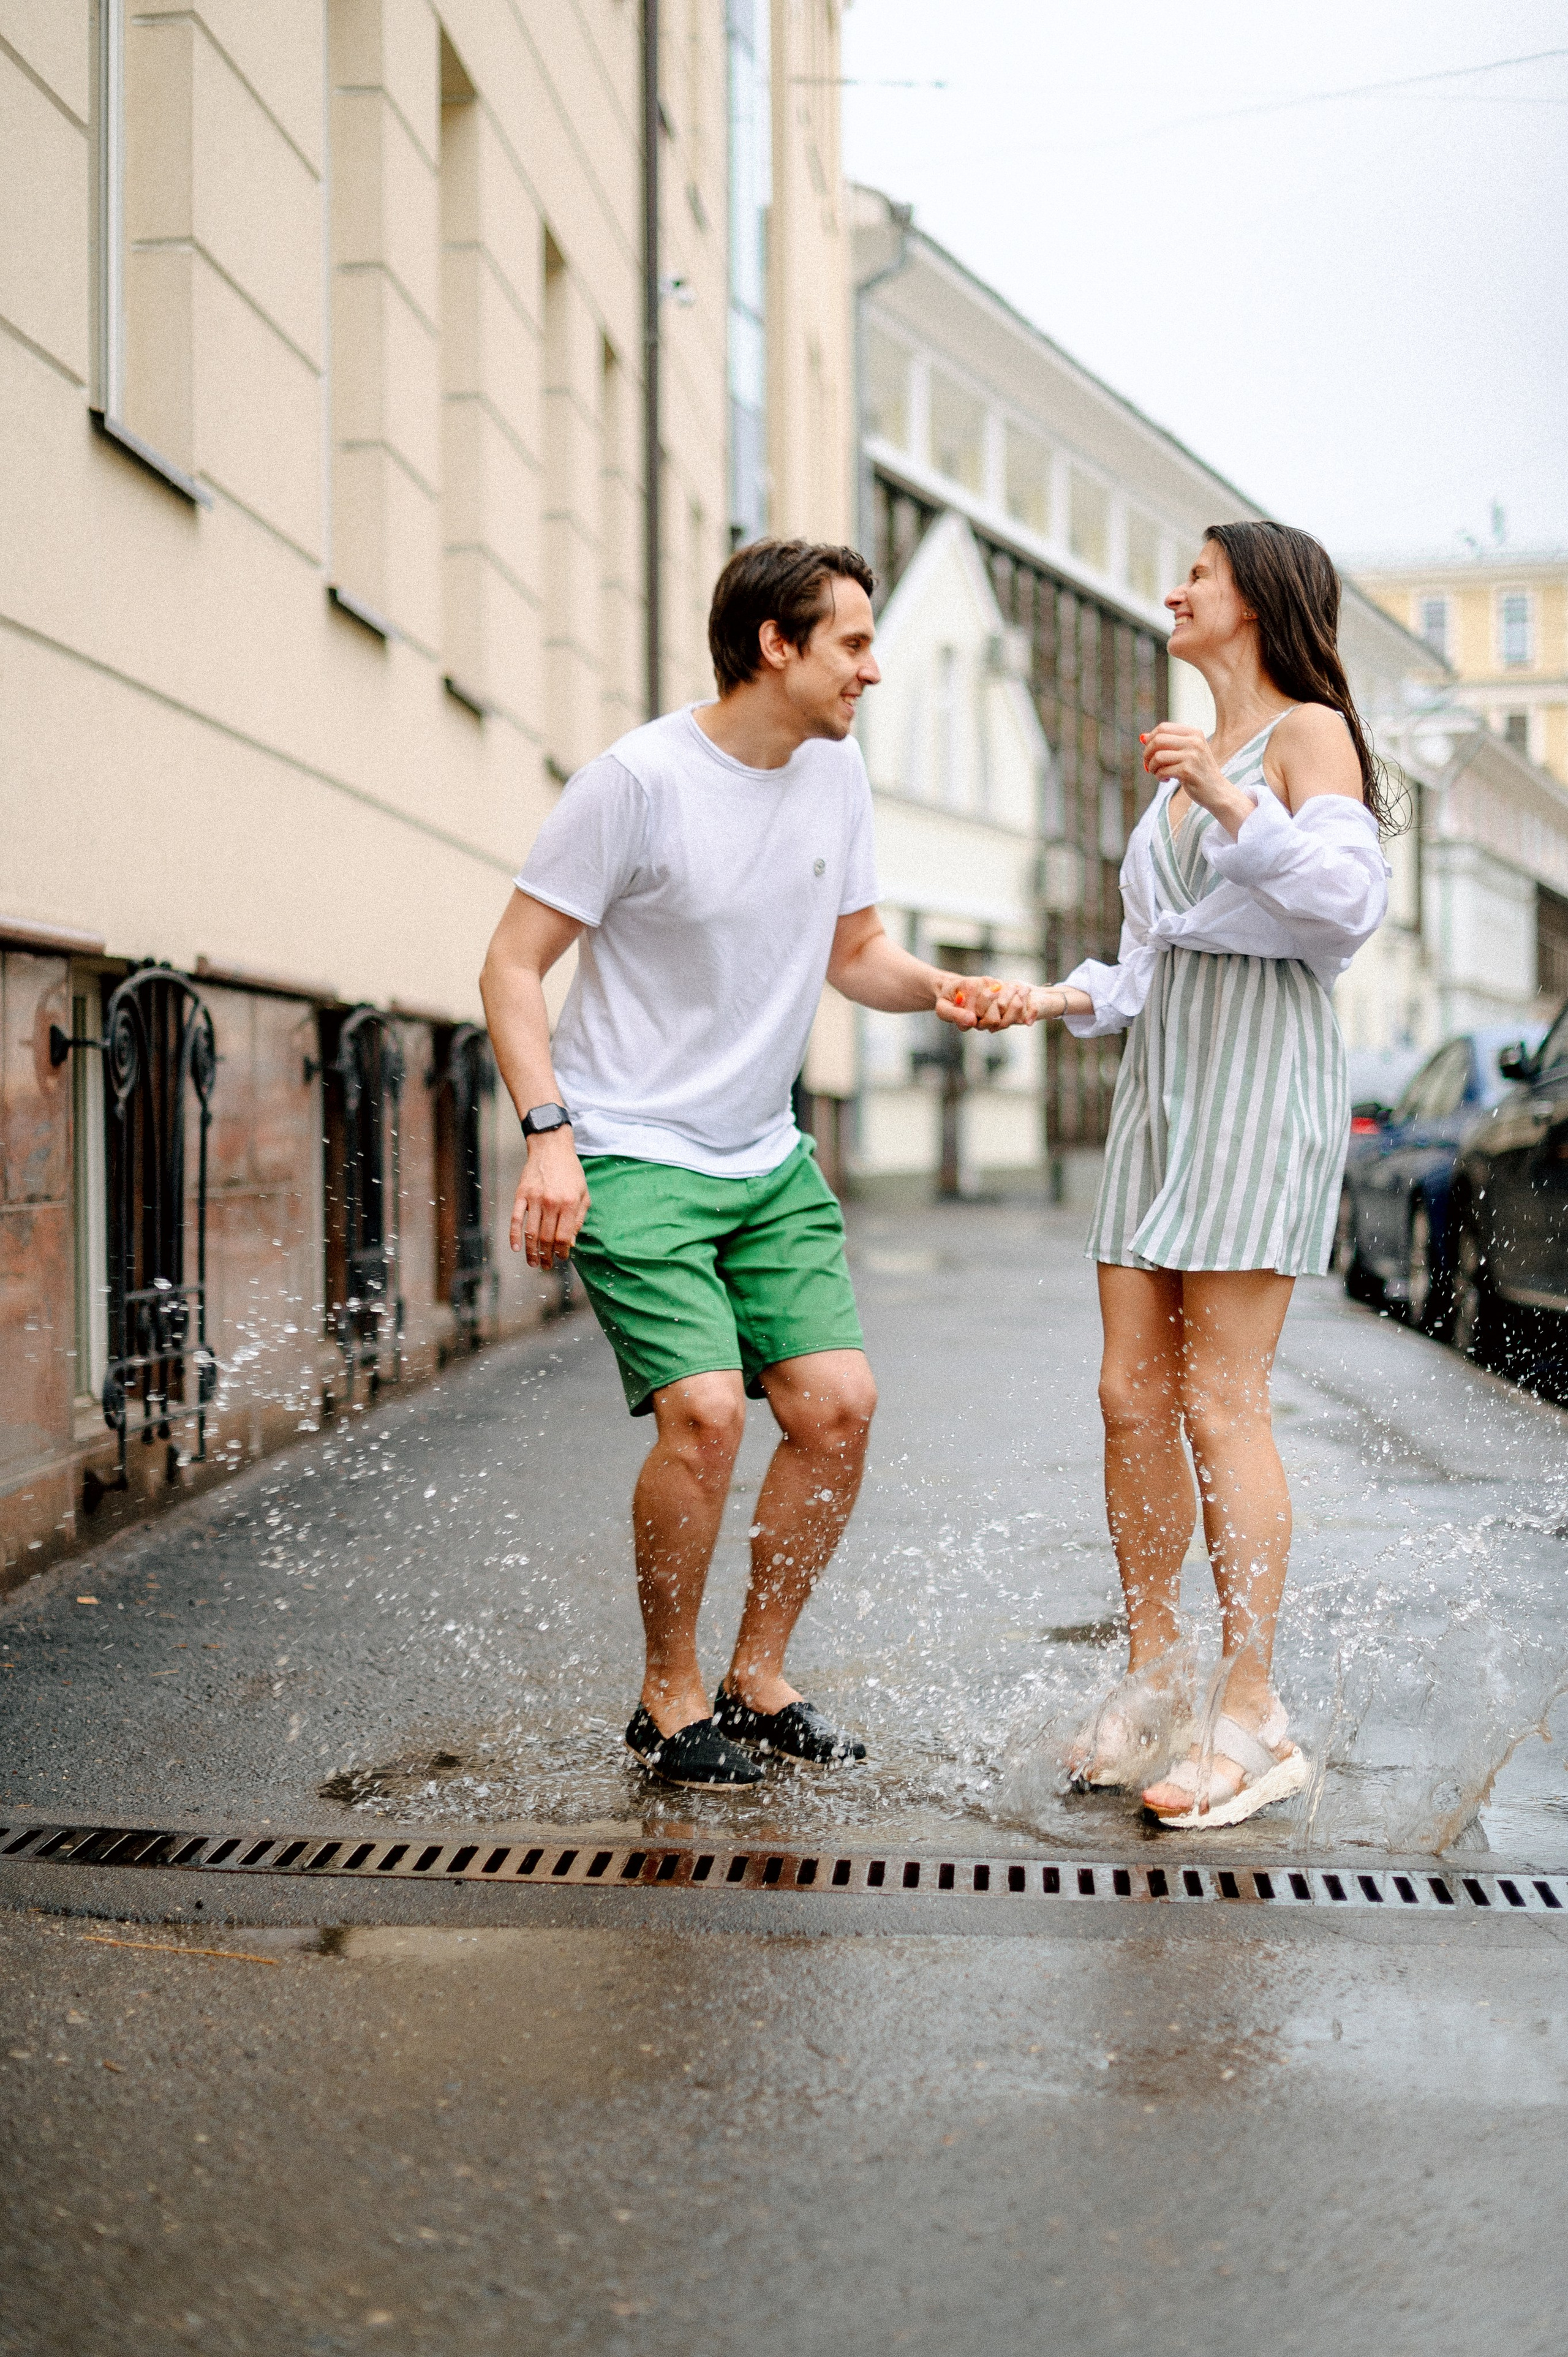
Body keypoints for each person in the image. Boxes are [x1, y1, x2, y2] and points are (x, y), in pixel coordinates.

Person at [480, 538, 1030, 1789]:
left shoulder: (836, 774)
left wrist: (942, 988)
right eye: (853, 644)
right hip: (630, 1146)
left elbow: (855, 951)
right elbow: (511, 964)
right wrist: (549, 1136)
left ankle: (757, 1677)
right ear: (776, 645)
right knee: (708, 1414)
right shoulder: (635, 784)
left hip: (764, 1154)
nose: (872, 672)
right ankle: (668, 1695)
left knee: (836, 1407)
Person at [1027, 521, 1392, 1830]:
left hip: (1254, 1077)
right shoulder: (1181, 765)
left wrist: (1230, 798)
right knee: (1129, 1393)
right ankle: (1158, 1674)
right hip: (1163, 1085)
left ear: (1256, 600)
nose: (1174, 590)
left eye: (1199, 574)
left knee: (1219, 1400)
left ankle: (1253, 1711)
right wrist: (1039, 999)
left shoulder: (1305, 733)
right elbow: (1145, 963)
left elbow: (1346, 902)